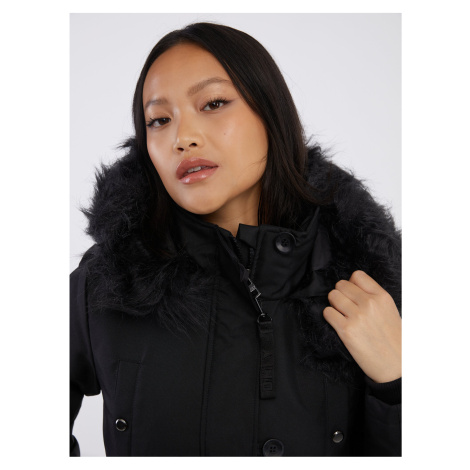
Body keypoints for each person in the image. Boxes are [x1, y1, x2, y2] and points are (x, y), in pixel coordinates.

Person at [70, 22, 401, 457]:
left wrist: (398, 382)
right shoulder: (108, 282)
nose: (182, 138)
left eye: (213, 103)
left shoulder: (371, 281)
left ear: (271, 112)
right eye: (159, 120)